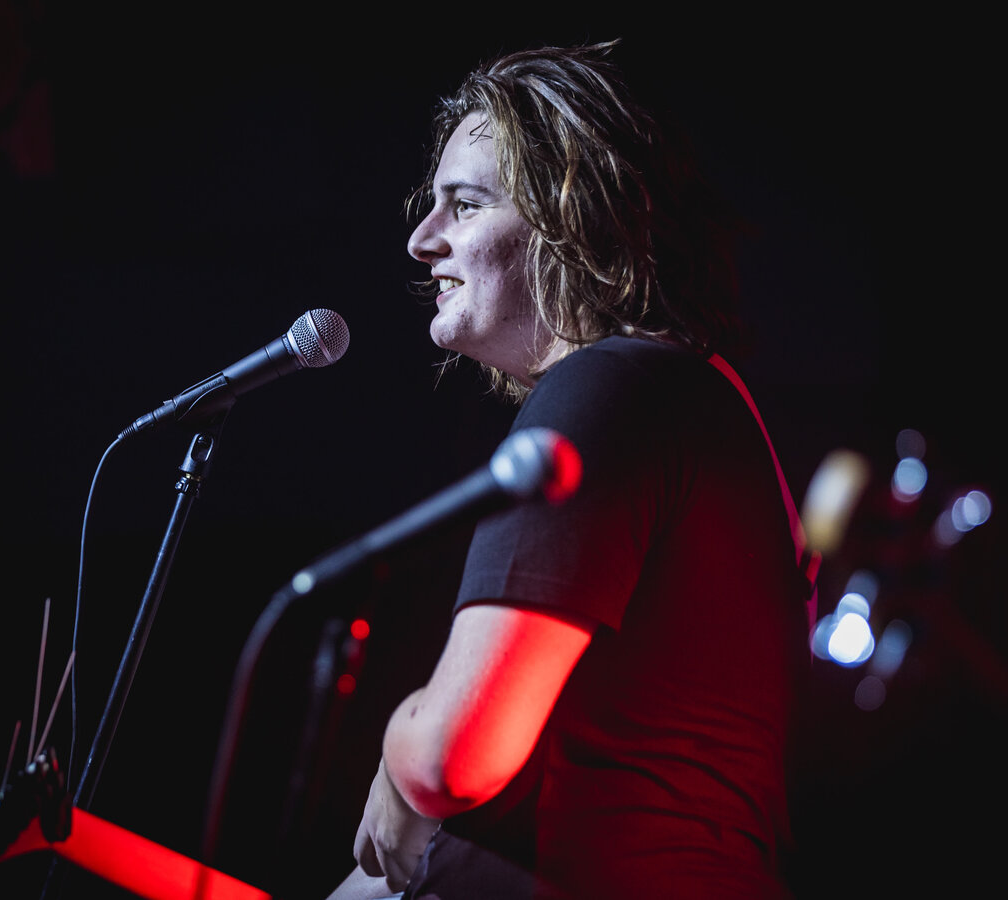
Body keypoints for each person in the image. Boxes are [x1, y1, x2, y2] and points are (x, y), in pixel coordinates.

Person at [327, 40, 817, 900]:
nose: (422, 239)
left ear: (570, 215)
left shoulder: (603, 387)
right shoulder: (702, 396)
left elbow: (451, 758)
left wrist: (401, 748)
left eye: (464, 205)